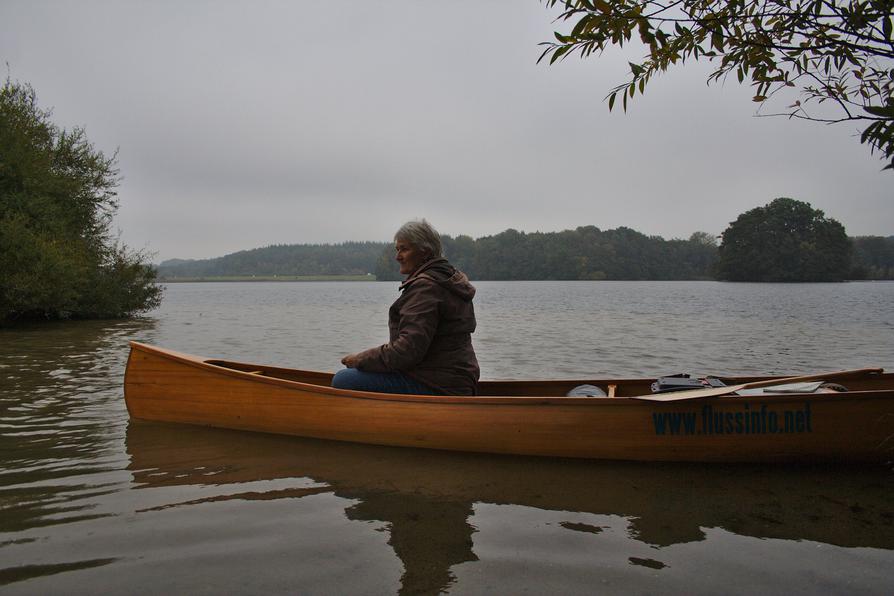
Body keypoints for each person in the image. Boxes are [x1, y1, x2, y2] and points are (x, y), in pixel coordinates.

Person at [332, 219, 479, 395]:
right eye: (397, 249)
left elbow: (407, 350)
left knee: (344, 379)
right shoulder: (445, 280)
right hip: (456, 380)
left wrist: (360, 359)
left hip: (436, 384)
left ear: (424, 252)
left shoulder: (427, 287)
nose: (397, 256)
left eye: (404, 249)